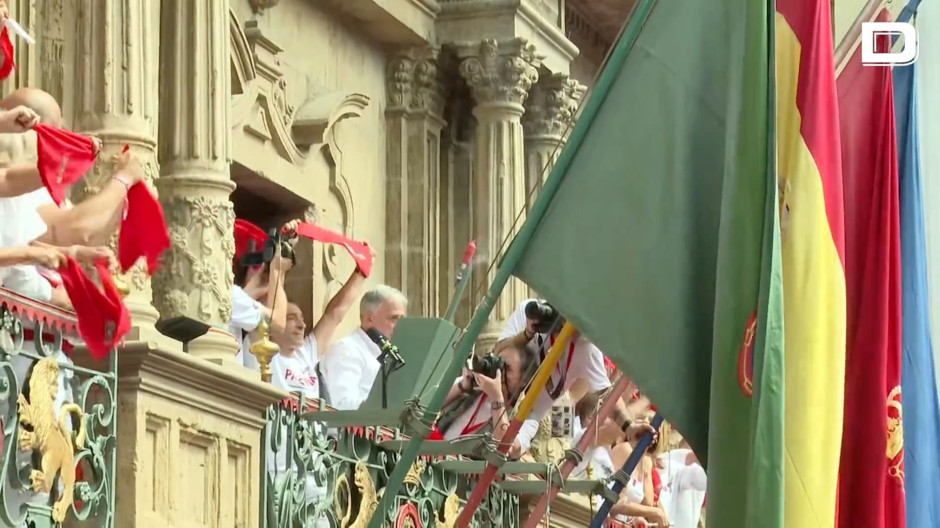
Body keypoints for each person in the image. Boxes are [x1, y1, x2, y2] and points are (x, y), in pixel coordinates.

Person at [496, 299, 641, 452]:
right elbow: (498, 351)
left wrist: (629, 425)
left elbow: (560, 443)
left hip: (530, 437)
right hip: (498, 405)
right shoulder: (532, 312)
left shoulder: (565, 401)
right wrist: (527, 334)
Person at [435, 343, 539, 458]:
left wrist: (497, 398)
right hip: (430, 455)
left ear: (524, 380)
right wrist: (462, 387)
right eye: (498, 364)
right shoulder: (475, 387)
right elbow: (430, 405)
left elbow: (507, 448)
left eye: (507, 368)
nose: (499, 372)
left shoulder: (528, 420)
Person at [320, 284, 407, 410]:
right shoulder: (347, 350)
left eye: (402, 319)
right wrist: (386, 406)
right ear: (369, 319)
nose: (399, 325)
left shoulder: (392, 356)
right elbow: (342, 405)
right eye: (393, 318)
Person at [230, 219, 298, 369]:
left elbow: (267, 297)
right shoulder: (232, 296)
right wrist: (276, 269)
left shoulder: (232, 299)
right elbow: (277, 321)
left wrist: (282, 249)